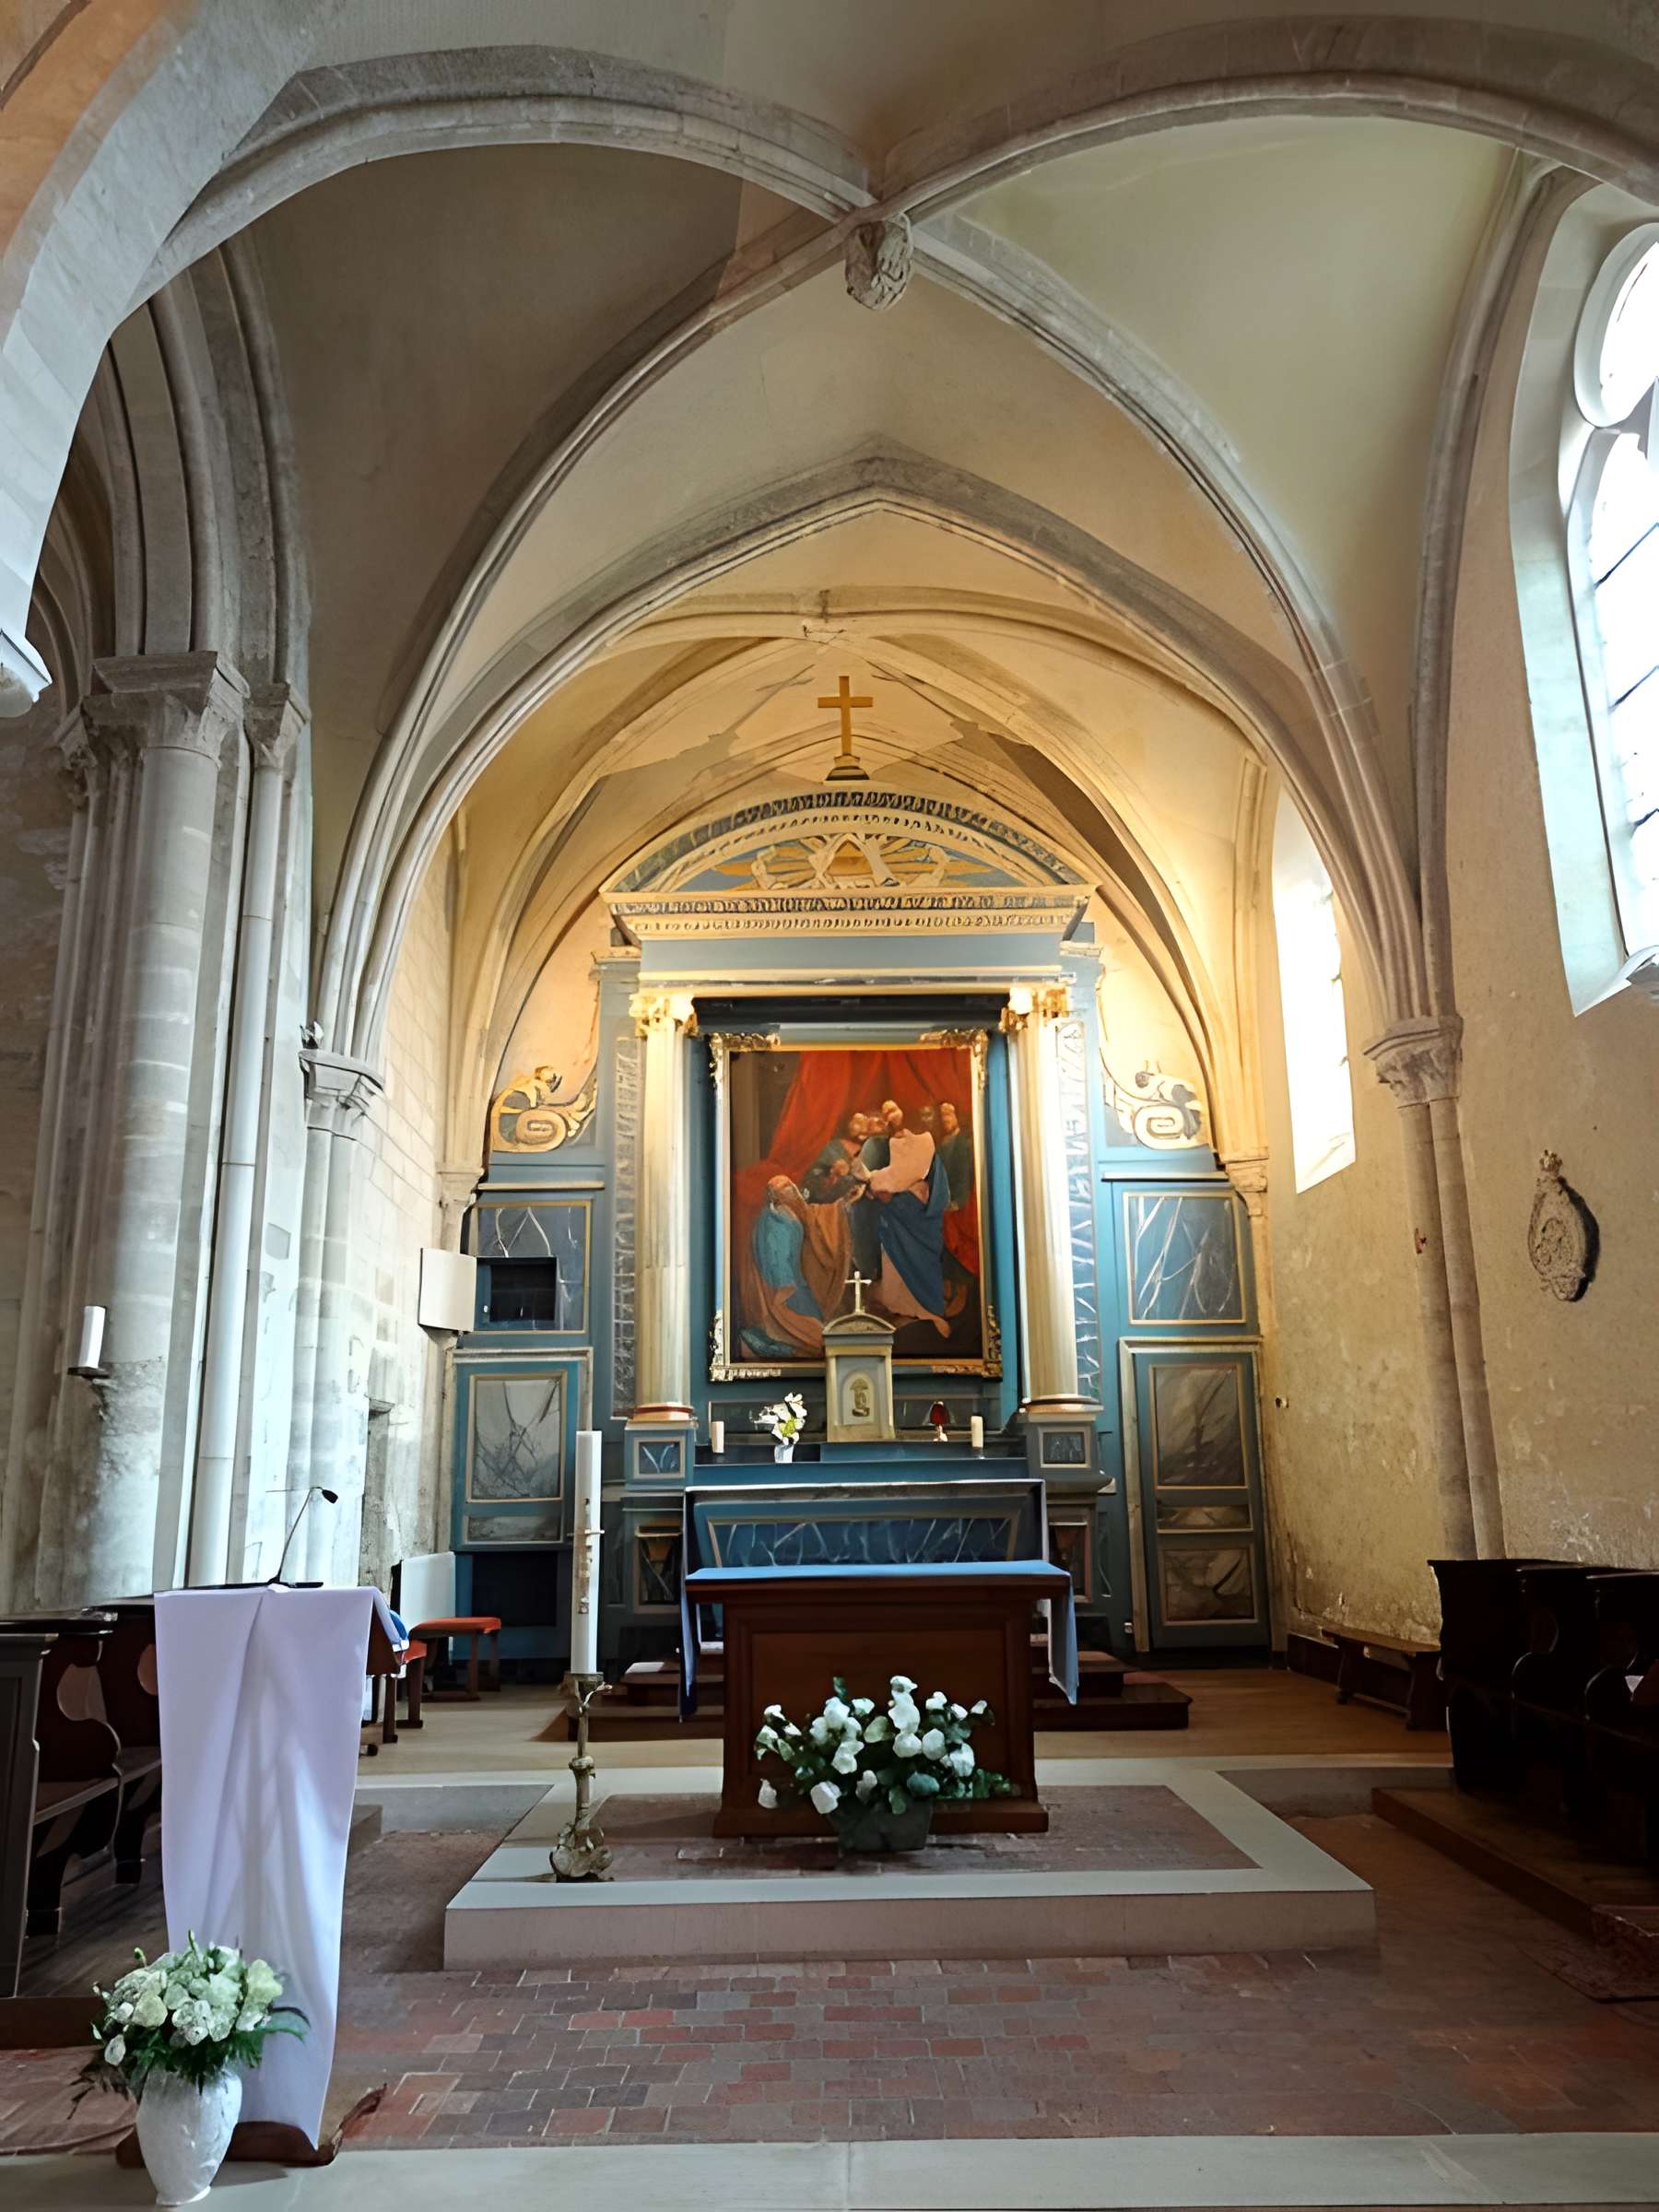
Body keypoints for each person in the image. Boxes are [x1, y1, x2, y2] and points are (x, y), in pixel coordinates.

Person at [864, 1100, 949, 1337]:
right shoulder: (889, 1144)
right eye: (885, 1112)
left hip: (915, 1213)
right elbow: (892, 1178)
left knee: (918, 1261)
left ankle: (927, 1311)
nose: (889, 1116)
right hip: (899, 1215)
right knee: (895, 1264)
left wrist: (876, 1184)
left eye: (893, 1110)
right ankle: (903, 1309)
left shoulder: (920, 1142)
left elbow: (901, 1177)